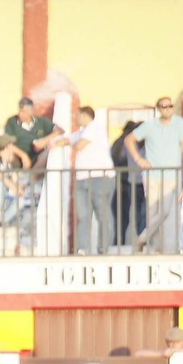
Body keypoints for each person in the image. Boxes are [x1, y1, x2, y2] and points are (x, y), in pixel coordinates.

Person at [127, 96, 183, 253]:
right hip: (152, 176)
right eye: (164, 106)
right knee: (152, 213)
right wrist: (138, 159)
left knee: (165, 211)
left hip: (171, 176)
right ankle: (156, 247)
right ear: (158, 109)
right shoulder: (150, 126)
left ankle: (141, 239)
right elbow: (129, 139)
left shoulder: (179, 123)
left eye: (170, 106)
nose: (167, 109)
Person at [68, 105, 113, 254]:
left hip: (99, 177)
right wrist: (50, 143)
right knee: (83, 216)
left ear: (83, 115)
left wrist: (72, 144)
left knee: (102, 214)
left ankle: (104, 248)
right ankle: (82, 248)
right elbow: (67, 140)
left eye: (76, 115)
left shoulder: (94, 128)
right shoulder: (82, 132)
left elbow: (79, 145)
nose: (75, 118)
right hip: (82, 178)